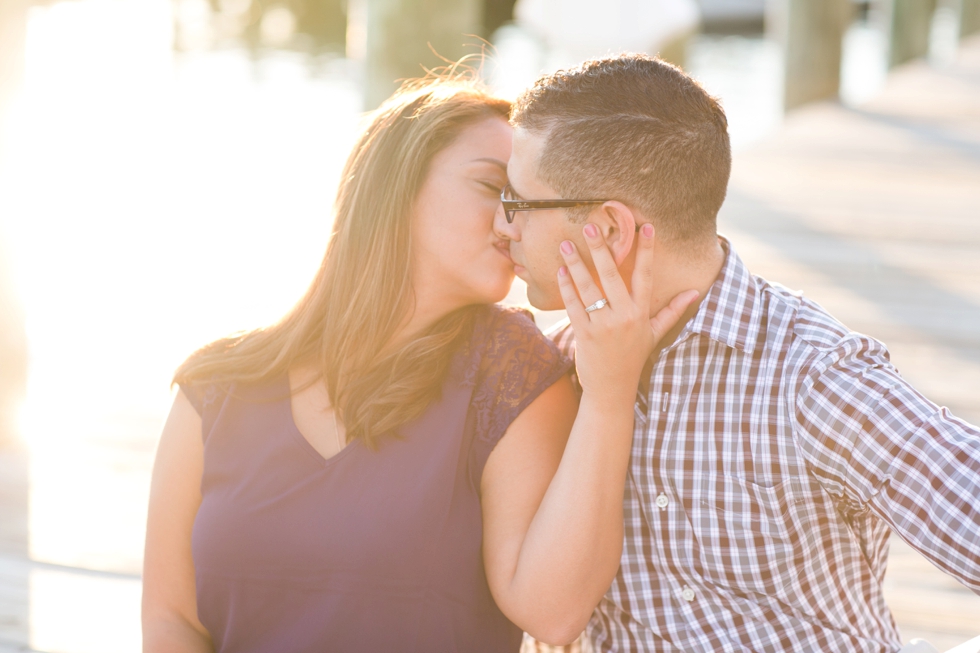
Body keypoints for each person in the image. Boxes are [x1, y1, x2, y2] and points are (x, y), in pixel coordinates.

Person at [141, 74, 695, 652]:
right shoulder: (216, 386)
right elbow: (171, 620)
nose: (513, 223)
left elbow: (553, 614)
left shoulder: (513, 378)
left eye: (524, 201)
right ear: (394, 186)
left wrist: (609, 396)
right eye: (492, 187)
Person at [496, 54, 980, 652]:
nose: (501, 224)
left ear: (609, 230)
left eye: (517, 202)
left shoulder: (812, 378)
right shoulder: (551, 372)